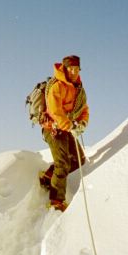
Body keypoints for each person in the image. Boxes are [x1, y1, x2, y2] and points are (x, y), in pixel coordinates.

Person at [38, 55, 89, 212]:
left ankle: (47, 177)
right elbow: (55, 111)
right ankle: (56, 201)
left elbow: (84, 109)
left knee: (78, 160)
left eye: (76, 69)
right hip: (52, 128)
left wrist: (82, 123)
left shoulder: (79, 88)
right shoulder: (57, 86)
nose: (74, 72)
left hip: (67, 128)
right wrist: (70, 126)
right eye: (71, 69)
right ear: (65, 69)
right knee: (63, 163)